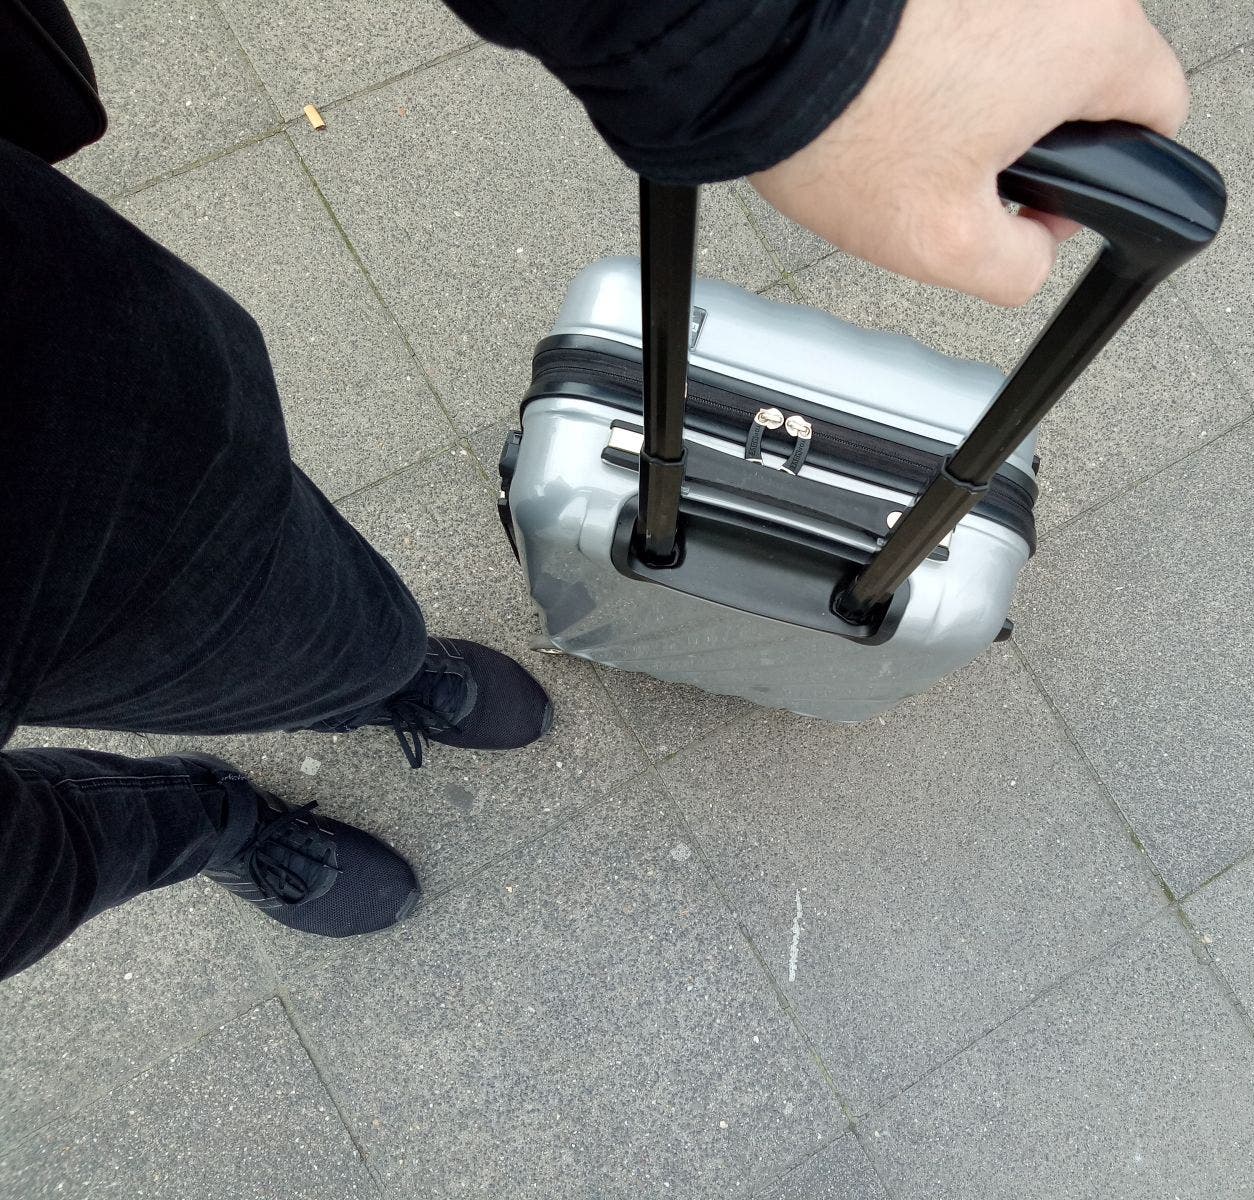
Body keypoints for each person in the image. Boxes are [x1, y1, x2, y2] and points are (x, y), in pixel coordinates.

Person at [0, 0, 1188, 982]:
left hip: (61, 444)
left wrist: (798, 42)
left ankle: (372, 681)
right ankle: (216, 824)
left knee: (289, 621)